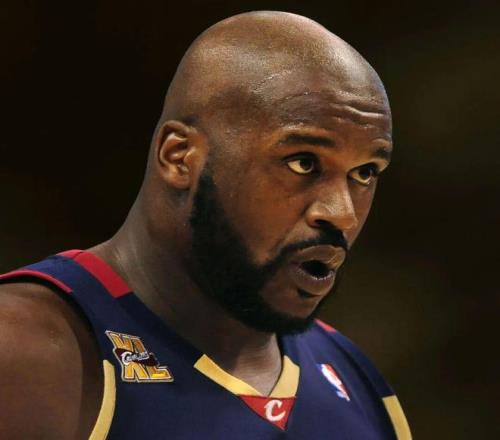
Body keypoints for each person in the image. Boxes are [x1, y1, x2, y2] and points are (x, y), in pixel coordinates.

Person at [0, 11, 411, 440]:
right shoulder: (29, 349)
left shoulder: (363, 388)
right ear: (180, 157)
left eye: (364, 172)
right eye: (303, 162)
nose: (341, 213)